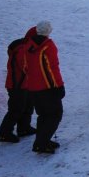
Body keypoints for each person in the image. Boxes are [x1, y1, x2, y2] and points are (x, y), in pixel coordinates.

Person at [24, 21, 64, 154]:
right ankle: (42, 143)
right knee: (54, 114)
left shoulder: (29, 45)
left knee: (43, 115)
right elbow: (52, 69)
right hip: (47, 88)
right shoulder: (48, 46)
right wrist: (58, 86)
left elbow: (25, 67)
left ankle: (41, 141)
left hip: (33, 87)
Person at [0, 27, 38, 143]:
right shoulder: (22, 49)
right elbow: (26, 67)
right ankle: (4, 133)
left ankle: (24, 128)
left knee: (28, 106)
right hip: (17, 85)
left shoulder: (27, 47)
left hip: (25, 84)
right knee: (16, 109)